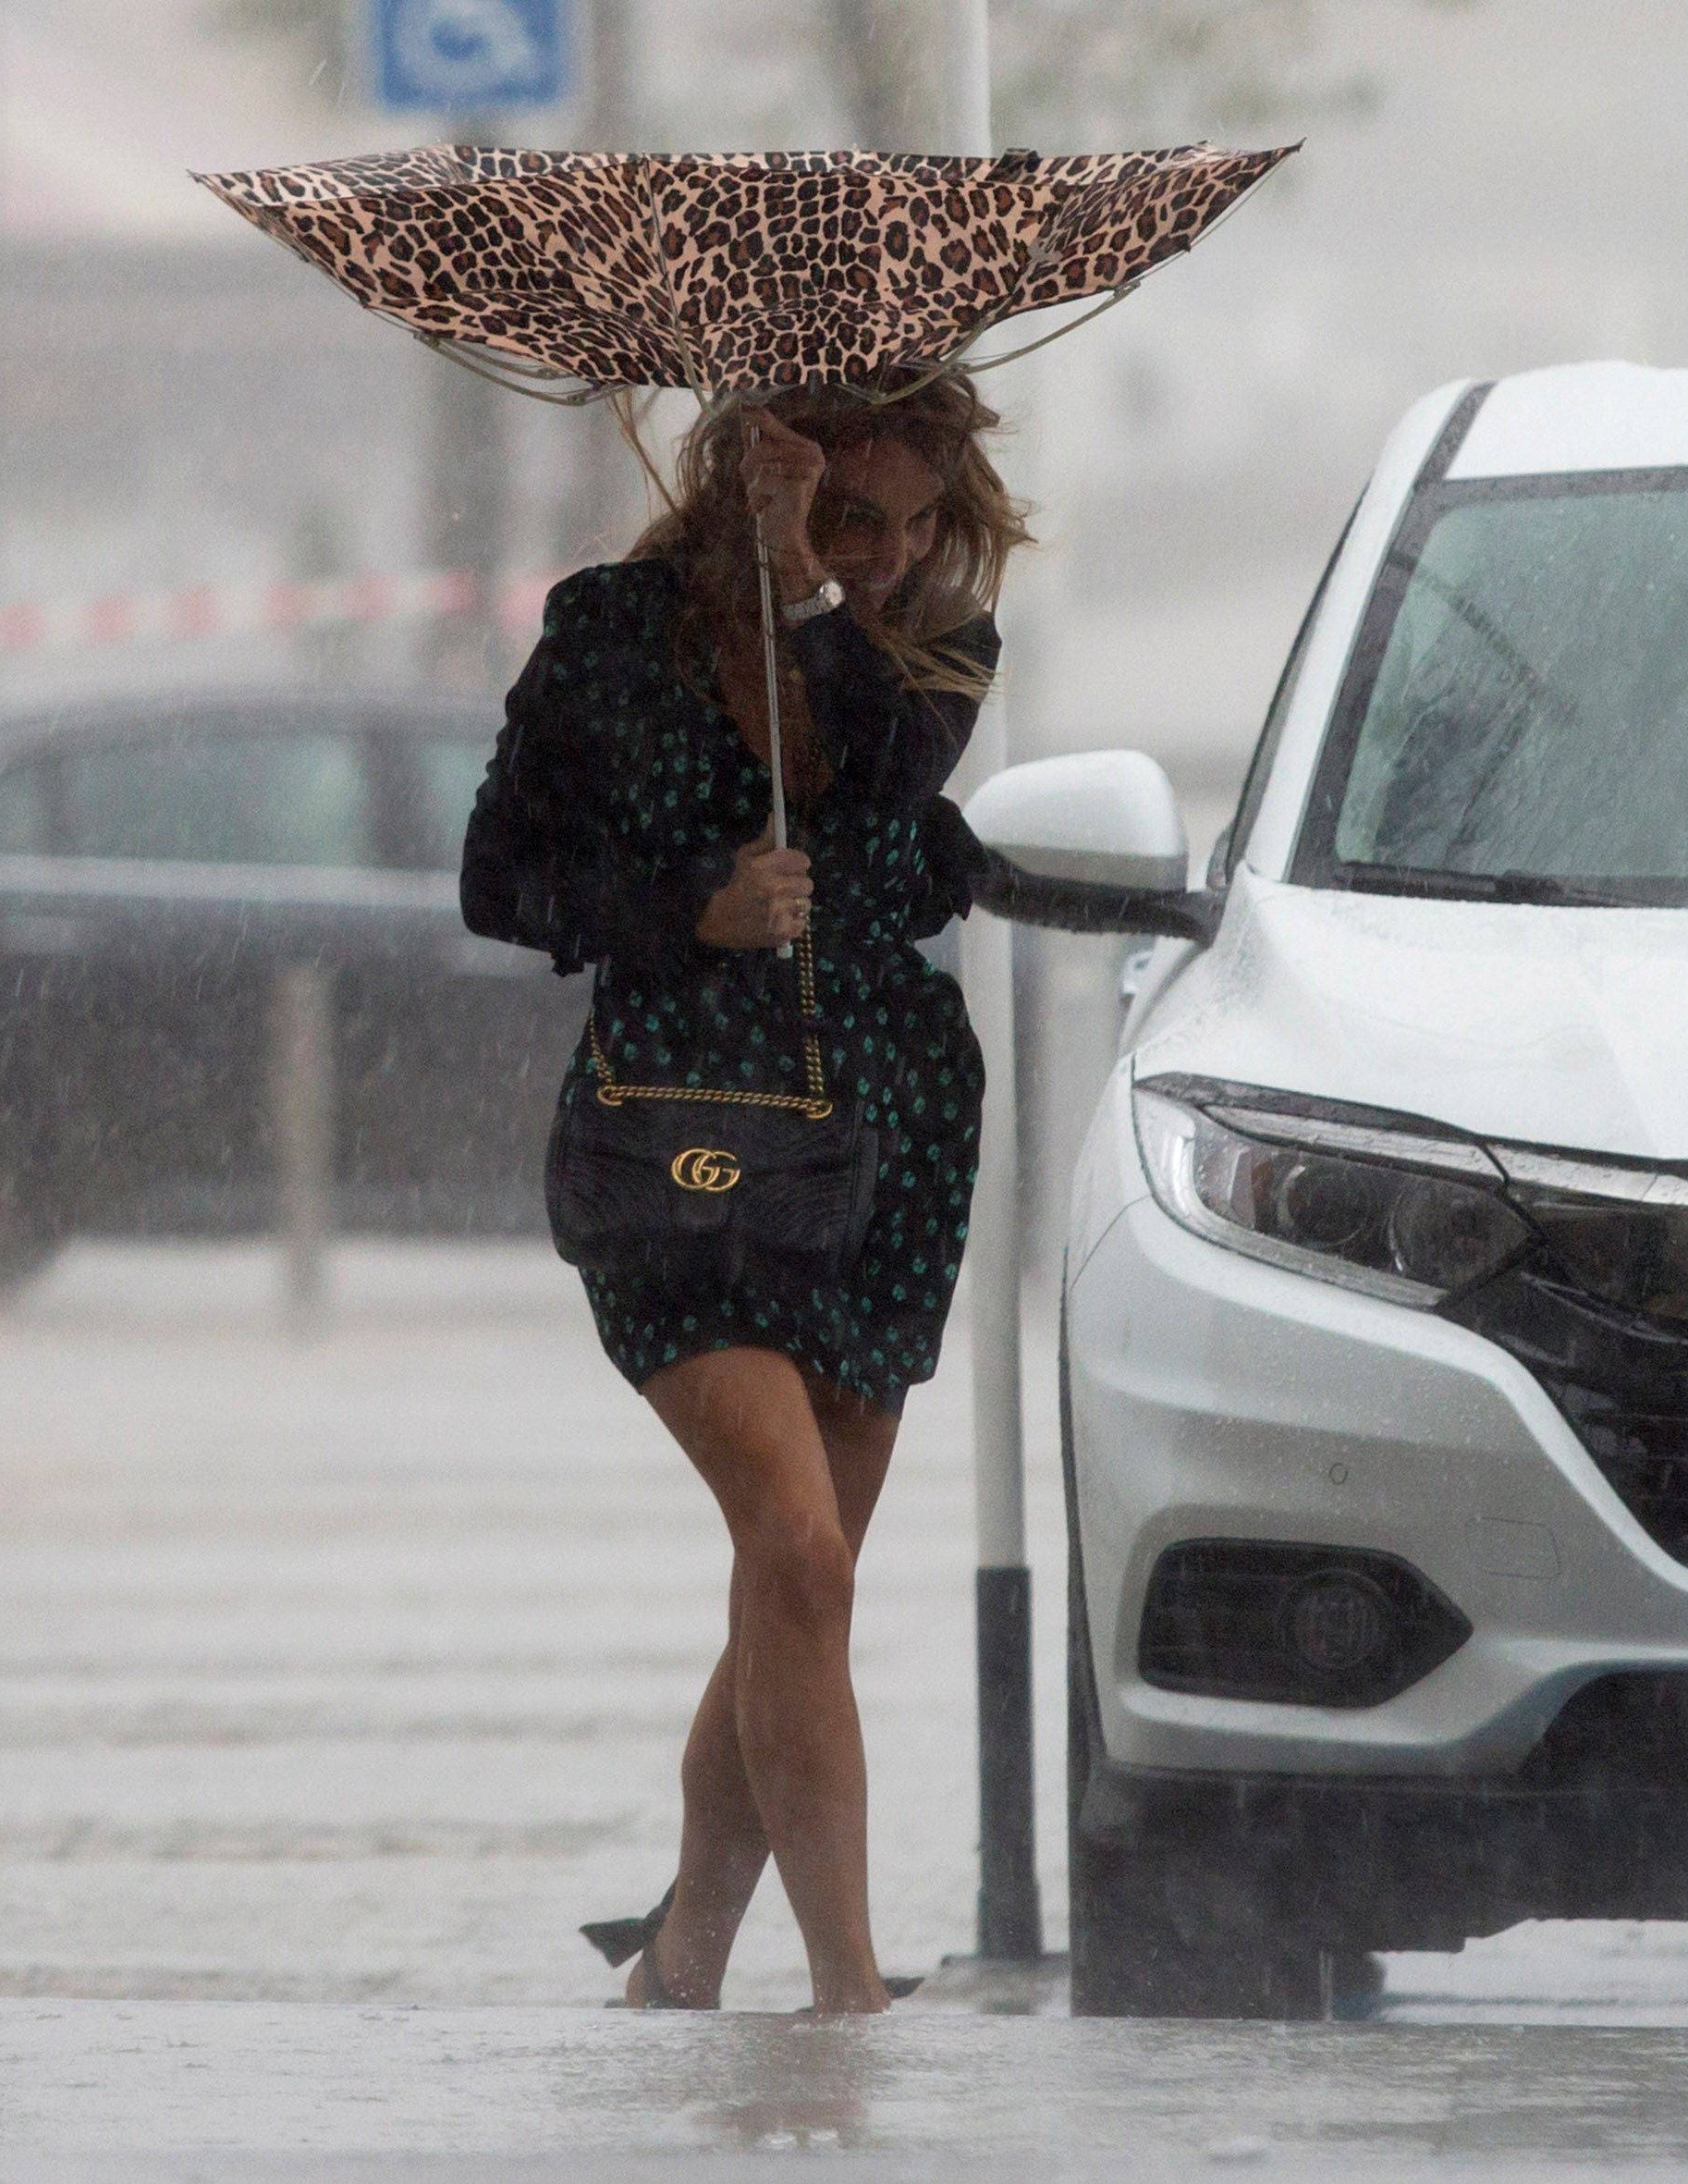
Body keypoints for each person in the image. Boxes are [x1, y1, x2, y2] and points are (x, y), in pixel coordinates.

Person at [459, 370, 1028, 2014]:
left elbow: (867, 774)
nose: (892, 555)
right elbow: (498, 879)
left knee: (799, 1581)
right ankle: (847, 1990)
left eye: (924, 523)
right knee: (799, 1549)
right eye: (855, 516)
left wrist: (809, 592)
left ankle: (683, 1956)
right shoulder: (611, 633)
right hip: (681, 1135)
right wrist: (682, 906)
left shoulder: (936, 645)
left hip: (888, 1139)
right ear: (749, 476)